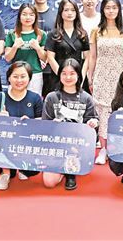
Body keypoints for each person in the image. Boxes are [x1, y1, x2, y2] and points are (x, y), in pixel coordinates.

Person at [87, 0, 123, 165]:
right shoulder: (96, 31)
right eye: (107, 7)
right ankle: (104, 149)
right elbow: (92, 56)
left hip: (119, 77)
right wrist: (90, 77)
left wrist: (121, 72)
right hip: (101, 76)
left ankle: (118, 148)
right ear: (103, 10)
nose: (111, 11)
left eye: (114, 7)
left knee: (118, 110)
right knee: (102, 112)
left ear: (119, 10)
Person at [42, 59, 99, 191]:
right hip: (56, 145)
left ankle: (70, 172)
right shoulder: (51, 97)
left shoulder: (86, 98)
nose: (68, 77)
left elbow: (93, 126)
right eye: (64, 73)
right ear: (59, 75)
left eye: (72, 73)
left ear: (78, 75)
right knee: (49, 182)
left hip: (78, 146)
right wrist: (53, 125)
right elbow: (44, 126)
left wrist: (92, 124)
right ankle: (63, 169)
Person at [0, 62, 43, 190]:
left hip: (27, 143)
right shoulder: (0, 98)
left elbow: (42, 124)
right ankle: (5, 173)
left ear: (29, 78)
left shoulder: (35, 98)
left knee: (33, 171)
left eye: (23, 76)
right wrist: (1, 121)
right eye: (15, 76)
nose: (19, 80)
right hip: (5, 145)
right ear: (8, 78)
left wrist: (31, 123)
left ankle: (23, 169)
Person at [45, 0, 90, 96]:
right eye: (66, 10)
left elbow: (87, 58)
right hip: (58, 77)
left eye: (73, 10)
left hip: (78, 76)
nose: (70, 13)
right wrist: (63, 75)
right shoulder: (53, 34)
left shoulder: (82, 33)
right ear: (61, 12)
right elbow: (50, 58)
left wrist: (80, 77)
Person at [4, 3, 47, 96]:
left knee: (34, 101)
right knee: (15, 99)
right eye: (24, 14)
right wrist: (15, 46)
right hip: (16, 74)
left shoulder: (41, 34)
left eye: (31, 14)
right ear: (19, 16)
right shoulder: (12, 34)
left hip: (35, 73)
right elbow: (7, 58)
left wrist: (37, 48)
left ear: (35, 17)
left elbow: (45, 58)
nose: (28, 17)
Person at [30, 0, 57, 92]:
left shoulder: (56, 15)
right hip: (30, 65)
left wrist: (47, 58)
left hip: (50, 66)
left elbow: (57, 40)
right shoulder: (26, 15)